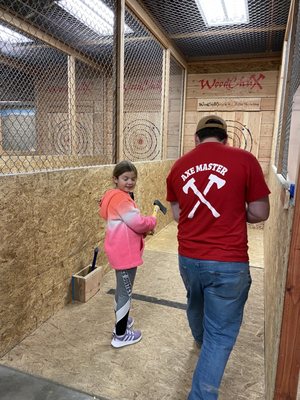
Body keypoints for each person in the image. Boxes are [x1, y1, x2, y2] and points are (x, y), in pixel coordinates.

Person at [166, 115, 270, 399]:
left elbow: (177, 214)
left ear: (196, 139)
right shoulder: (245, 160)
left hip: (188, 258)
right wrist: (237, 213)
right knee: (220, 335)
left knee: (195, 301)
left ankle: (200, 340)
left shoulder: (178, 166)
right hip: (229, 262)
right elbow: (260, 212)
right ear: (225, 138)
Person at [99, 160, 157, 348]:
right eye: (125, 178)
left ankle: (121, 320)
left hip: (119, 249)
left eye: (133, 179)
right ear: (115, 179)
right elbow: (138, 223)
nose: (130, 182)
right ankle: (121, 335)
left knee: (122, 290)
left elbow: (126, 223)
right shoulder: (122, 199)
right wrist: (151, 222)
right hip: (124, 252)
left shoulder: (112, 196)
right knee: (125, 293)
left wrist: (141, 229)